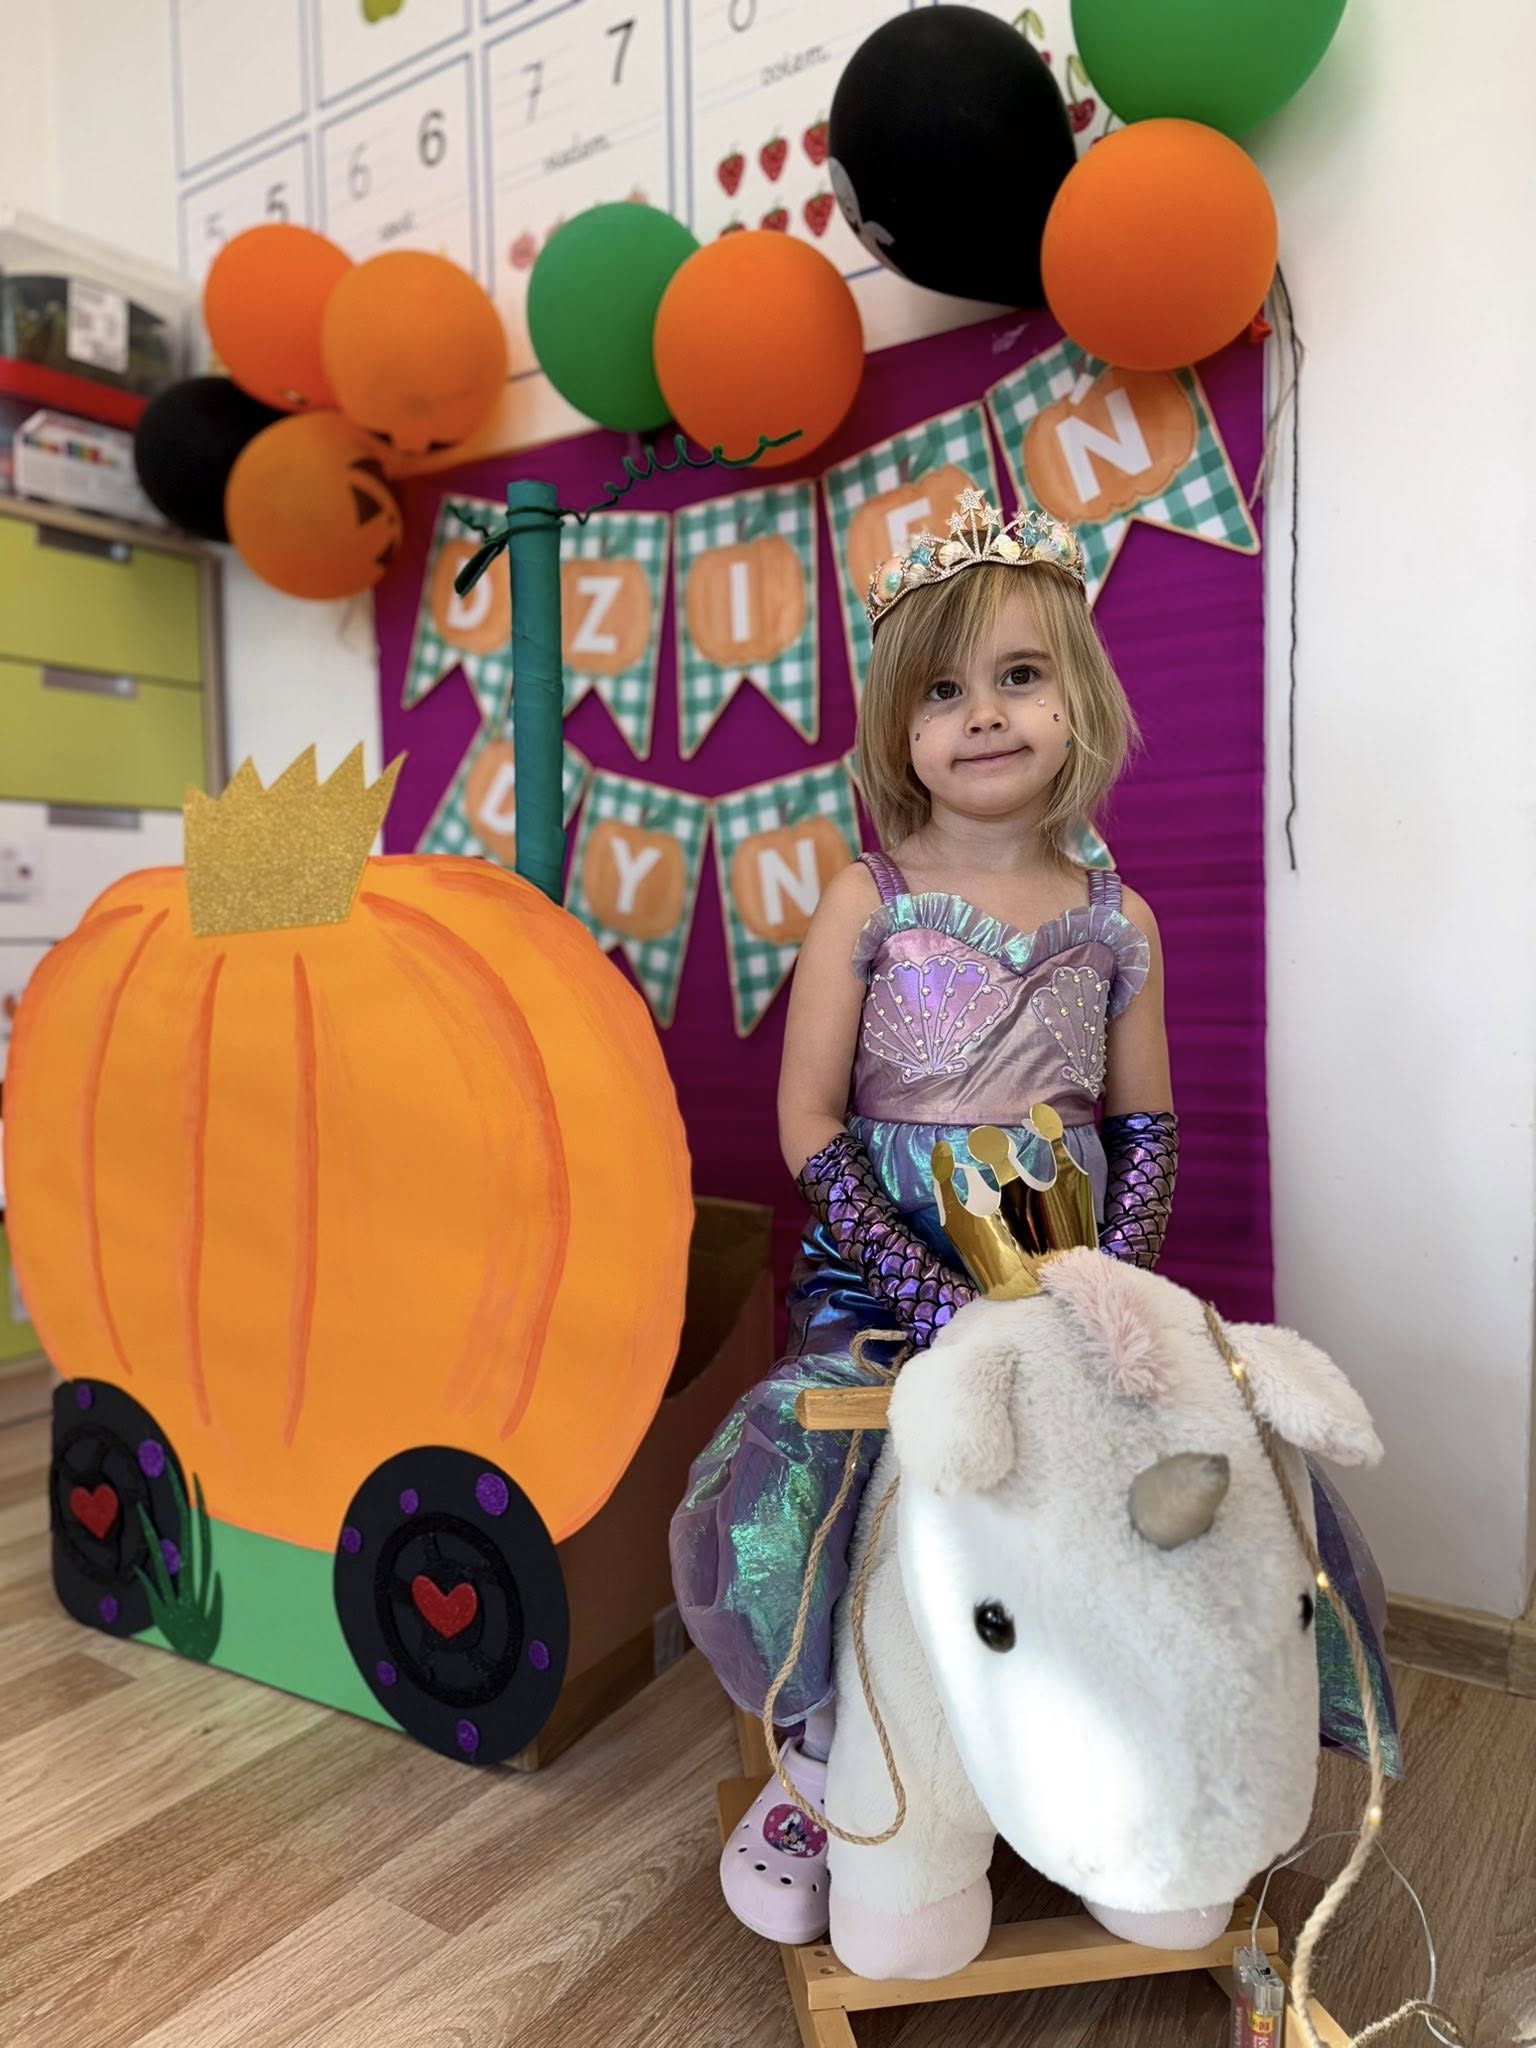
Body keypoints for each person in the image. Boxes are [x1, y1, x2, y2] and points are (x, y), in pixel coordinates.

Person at [670, 492, 1393, 1946]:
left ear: (1079, 701)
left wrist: (1109, 1289)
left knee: (1139, 1468)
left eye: (1018, 676)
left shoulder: (1120, 920)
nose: (984, 715)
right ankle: (828, 1766)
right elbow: (808, 1117)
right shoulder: (866, 900)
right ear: (898, 726)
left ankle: (1118, 1741)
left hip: (1065, 1274)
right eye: (943, 690)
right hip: (884, 1281)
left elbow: (1146, 1125)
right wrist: (922, 1290)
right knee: (853, 1477)